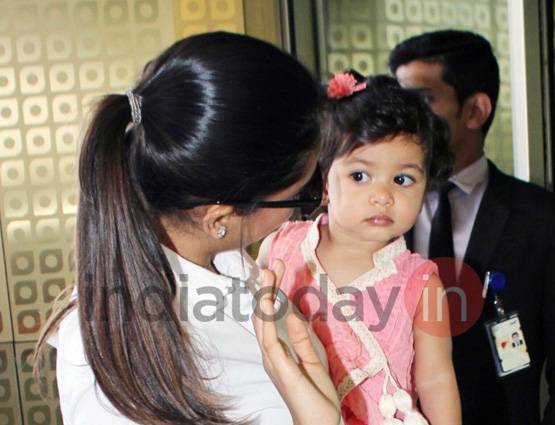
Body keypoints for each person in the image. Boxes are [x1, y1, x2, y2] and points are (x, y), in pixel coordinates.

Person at [32, 31, 341, 425]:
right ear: (219, 218)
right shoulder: (115, 368)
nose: (320, 200)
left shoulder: (231, 267)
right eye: (305, 192)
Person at [258, 73, 461, 425]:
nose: (382, 195)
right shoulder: (281, 247)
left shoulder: (421, 283)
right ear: (324, 181)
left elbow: (436, 380)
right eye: (360, 176)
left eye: (402, 179)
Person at [389, 29, 555, 425]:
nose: (407, 118)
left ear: (475, 111)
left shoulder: (540, 217)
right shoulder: (377, 211)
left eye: (422, 101)